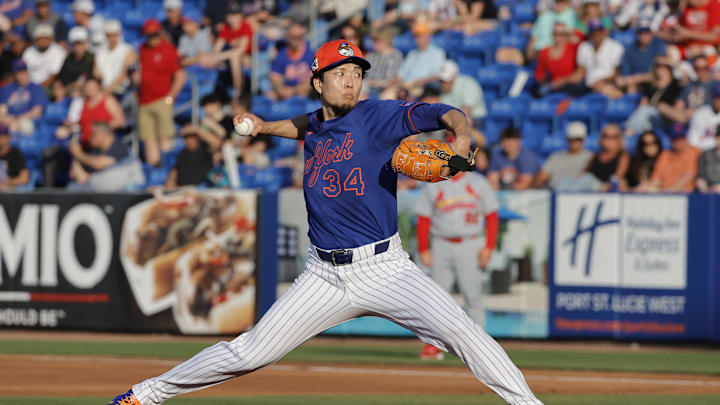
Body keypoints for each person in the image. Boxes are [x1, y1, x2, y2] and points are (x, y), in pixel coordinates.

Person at [108, 39, 543, 405]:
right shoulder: (316, 124)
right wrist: (263, 126)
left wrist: (461, 137)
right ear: (318, 82)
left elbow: (445, 113)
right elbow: (303, 125)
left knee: (465, 334)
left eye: (356, 71)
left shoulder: (377, 116)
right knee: (249, 353)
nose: (351, 79)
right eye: (340, 72)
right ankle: (143, 396)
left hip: (385, 269)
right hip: (323, 276)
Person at [414, 170, 499, 360]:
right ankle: (433, 346)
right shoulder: (435, 182)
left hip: (470, 243)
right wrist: (423, 248)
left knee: (473, 297)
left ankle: (480, 348)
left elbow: (492, 215)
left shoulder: (477, 182)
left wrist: (489, 246)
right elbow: (423, 218)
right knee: (436, 299)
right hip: (441, 243)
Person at [136, 18, 187, 166]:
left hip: (161, 99)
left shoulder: (167, 49)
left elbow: (180, 75)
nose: (152, 38)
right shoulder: (143, 49)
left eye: (155, 35)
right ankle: (154, 171)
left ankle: (166, 169)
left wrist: (171, 97)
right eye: (149, 35)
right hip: (144, 101)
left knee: (164, 138)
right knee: (148, 139)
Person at [386, 20, 446, 99]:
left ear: (429, 36)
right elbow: (401, 74)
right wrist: (394, 81)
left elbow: (438, 74)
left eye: (420, 35)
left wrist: (422, 81)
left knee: (410, 95)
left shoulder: (437, 53)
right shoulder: (412, 53)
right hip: (406, 86)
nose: (417, 39)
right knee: (387, 95)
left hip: (424, 87)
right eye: (415, 36)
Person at [624, 59, 682, 136]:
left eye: (664, 67)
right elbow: (643, 101)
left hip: (664, 118)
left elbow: (677, 109)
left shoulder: (676, 86)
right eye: (658, 66)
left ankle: (628, 134)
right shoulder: (651, 86)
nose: (661, 69)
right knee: (643, 110)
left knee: (645, 111)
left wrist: (672, 63)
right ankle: (630, 133)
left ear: (670, 69)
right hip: (648, 116)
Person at [533, 121, 593, 190]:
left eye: (578, 139)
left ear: (584, 140)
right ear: (567, 139)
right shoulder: (555, 157)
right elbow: (542, 176)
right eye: (572, 139)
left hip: (579, 193)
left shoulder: (591, 157)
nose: (575, 142)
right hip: (555, 192)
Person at [576, 18, 625, 99]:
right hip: (588, 86)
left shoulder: (615, 47)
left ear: (604, 32)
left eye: (599, 32)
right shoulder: (584, 47)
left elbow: (617, 73)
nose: (597, 35)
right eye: (594, 33)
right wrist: (564, 80)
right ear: (590, 34)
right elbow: (580, 72)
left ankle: (621, 99)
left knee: (605, 87)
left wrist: (601, 82)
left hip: (609, 82)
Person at [68, 121, 129, 185]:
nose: (90, 137)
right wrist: (75, 156)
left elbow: (98, 164)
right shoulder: (95, 151)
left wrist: (78, 154)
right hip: (97, 188)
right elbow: (77, 176)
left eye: (93, 134)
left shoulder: (118, 147)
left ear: (103, 134)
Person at [617, 19, 668, 94]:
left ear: (651, 33)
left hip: (655, 84)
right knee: (627, 85)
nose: (644, 35)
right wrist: (629, 80)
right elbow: (626, 72)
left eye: (647, 32)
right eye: (641, 33)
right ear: (637, 34)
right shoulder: (631, 49)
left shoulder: (659, 45)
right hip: (636, 84)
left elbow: (662, 72)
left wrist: (640, 78)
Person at [214, 1, 253, 98]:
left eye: (235, 16)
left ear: (240, 16)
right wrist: (215, 57)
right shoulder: (226, 28)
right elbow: (217, 48)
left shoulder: (245, 26)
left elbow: (241, 49)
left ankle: (238, 92)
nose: (233, 19)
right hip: (231, 58)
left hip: (249, 58)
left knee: (235, 58)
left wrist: (221, 56)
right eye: (230, 16)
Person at [534, 22, 585, 97]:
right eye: (556, 33)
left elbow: (584, 38)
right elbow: (540, 75)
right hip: (554, 86)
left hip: (570, 84)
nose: (559, 37)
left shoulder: (573, 48)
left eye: (562, 34)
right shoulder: (544, 52)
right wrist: (548, 83)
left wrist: (570, 32)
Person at [164, 123, 220, 190]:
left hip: (201, 189)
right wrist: (169, 184)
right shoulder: (182, 153)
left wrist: (197, 129)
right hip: (182, 190)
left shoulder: (205, 149)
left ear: (197, 137)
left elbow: (217, 143)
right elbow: (174, 171)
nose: (189, 140)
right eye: (186, 137)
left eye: (192, 136)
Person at [650, 123, 701, 192]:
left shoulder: (694, 152)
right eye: (675, 138)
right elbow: (656, 178)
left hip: (686, 195)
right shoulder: (665, 154)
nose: (679, 141)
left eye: (682, 137)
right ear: (670, 139)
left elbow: (690, 175)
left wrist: (672, 190)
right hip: (664, 193)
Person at [268, 23, 314, 100]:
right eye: (293, 37)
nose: (296, 39)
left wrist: (293, 91)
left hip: (305, 96)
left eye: (299, 37)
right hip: (286, 93)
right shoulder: (281, 55)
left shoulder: (311, 54)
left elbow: (311, 82)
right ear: (287, 37)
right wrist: (280, 90)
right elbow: (275, 78)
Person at [0, 60, 46, 135]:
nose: (23, 75)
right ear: (15, 75)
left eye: (24, 72)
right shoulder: (8, 88)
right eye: (19, 73)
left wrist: (17, 119)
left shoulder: (36, 88)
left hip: (28, 120)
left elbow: (37, 111)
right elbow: (2, 109)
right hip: (9, 119)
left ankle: (13, 145)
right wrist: (4, 118)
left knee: (17, 125)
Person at [93, 19, 137, 96]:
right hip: (104, 90)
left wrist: (109, 88)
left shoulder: (128, 51)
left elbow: (125, 75)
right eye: (109, 35)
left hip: (122, 91)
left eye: (114, 34)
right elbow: (96, 73)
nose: (112, 37)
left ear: (119, 34)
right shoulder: (100, 52)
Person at [438, 60, 487, 126]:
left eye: (446, 80)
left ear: (455, 76)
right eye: (441, 80)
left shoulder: (468, 83)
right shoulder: (443, 88)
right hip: (456, 117)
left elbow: (467, 109)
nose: (443, 84)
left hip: (475, 117)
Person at [585, 123, 630, 191]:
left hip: (607, 190)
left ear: (619, 139)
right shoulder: (596, 156)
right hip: (590, 187)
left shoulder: (623, 156)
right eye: (605, 136)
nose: (608, 139)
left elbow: (617, 178)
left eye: (613, 137)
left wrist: (604, 187)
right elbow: (584, 174)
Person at [363, 28, 403, 97]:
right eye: (374, 41)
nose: (373, 44)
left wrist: (373, 82)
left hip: (384, 88)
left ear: (385, 41)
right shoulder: (370, 55)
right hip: (368, 86)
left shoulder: (395, 55)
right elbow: (363, 74)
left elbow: (390, 80)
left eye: (376, 41)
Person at [686, 82, 720, 151]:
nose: (718, 100)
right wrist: (715, 142)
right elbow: (692, 142)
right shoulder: (700, 114)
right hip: (703, 154)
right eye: (716, 97)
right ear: (712, 97)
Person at [696, 126, 720, 193]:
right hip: (709, 190)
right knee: (700, 183)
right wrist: (706, 190)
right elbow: (700, 177)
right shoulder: (705, 155)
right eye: (718, 136)